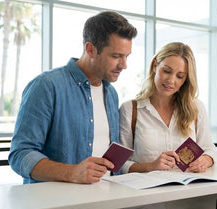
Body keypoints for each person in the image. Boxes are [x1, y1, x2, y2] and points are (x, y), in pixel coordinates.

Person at [8, 11, 137, 184]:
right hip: (59, 205)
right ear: (90, 49)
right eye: (116, 56)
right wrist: (71, 172)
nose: (124, 65)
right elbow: (20, 154)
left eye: (126, 56)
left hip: (105, 199)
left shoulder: (111, 94)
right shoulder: (46, 86)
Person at [119, 42, 216, 174]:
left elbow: (209, 149)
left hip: (188, 190)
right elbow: (120, 164)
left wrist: (204, 160)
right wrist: (151, 166)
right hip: (145, 191)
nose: (171, 80)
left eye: (180, 76)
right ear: (155, 66)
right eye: (166, 71)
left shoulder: (196, 107)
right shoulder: (130, 109)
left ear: (186, 79)